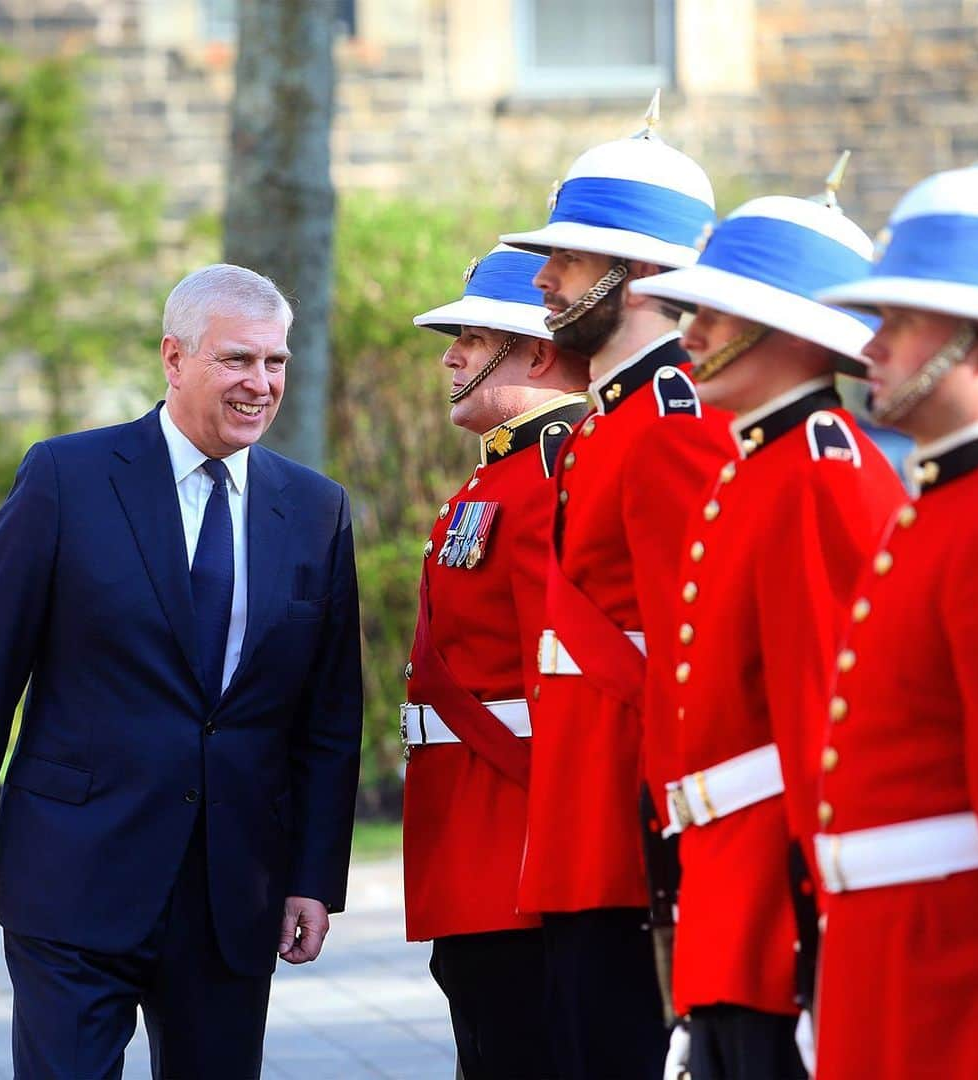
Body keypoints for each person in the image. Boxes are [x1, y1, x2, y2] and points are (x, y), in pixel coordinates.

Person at [0, 264, 363, 1079]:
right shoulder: (65, 478)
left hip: (233, 890)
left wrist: (313, 878)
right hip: (73, 872)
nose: (261, 384)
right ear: (173, 357)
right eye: (237, 360)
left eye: (276, 362)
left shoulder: (316, 510)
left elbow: (328, 718)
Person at [630, 166, 905, 1079]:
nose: (690, 333)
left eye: (714, 312)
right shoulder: (759, 466)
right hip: (725, 875)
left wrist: (819, 907)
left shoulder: (820, 472)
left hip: (774, 888)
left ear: (787, 328)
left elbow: (827, 719)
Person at [500, 97, 734, 1079]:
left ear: (640, 275)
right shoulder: (609, 422)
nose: (544, 279)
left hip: (631, 844)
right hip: (582, 834)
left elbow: (694, 660)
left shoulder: (674, 424)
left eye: (571, 260)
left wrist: (674, 851)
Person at [810, 163, 978, 1080]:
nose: (868, 346)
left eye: (899, 320)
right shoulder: (934, 501)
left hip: (947, 978)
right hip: (890, 959)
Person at [402, 243, 589, 1079]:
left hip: (519, 844)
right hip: (473, 835)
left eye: (473, 341)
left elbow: (566, 679)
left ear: (539, 353)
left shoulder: (552, 476)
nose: (451, 357)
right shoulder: (497, 480)